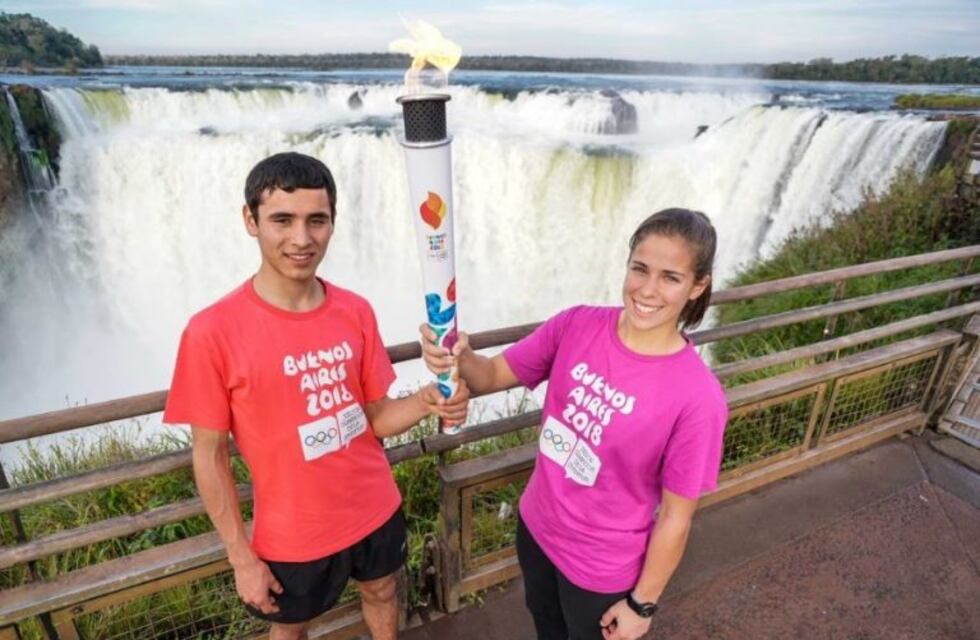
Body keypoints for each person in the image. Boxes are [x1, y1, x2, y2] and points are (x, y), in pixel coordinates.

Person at [163, 152, 468, 640]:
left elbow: (374, 417)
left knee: (383, 591)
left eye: (317, 221)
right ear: (250, 220)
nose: (302, 239)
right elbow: (209, 455)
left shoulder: (355, 310)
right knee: (290, 628)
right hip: (292, 532)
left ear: (332, 223)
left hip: (374, 505)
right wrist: (241, 557)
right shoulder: (210, 333)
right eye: (282, 220)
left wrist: (428, 399)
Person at [421, 208, 728, 640]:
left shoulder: (697, 397)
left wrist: (642, 603)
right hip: (537, 529)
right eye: (640, 269)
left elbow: (676, 518)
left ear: (698, 286)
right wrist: (457, 353)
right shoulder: (577, 324)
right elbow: (490, 376)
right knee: (546, 627)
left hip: (601, 570)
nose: (647, 290)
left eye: (670, 278)